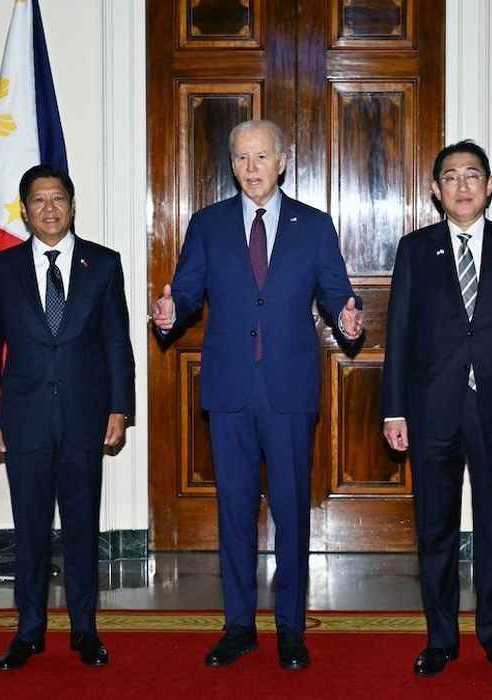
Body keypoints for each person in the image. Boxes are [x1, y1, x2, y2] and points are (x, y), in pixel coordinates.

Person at [151, 119, 363, 671]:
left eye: (261, 157)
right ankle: (239, 626)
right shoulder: (207, 223)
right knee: (235, 514)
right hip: (229, 390)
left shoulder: (314, 226)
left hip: (290, 389)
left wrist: (349, 319)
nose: (251, 168)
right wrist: (171, 314)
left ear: (283, 160)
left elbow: (338, 292)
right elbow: (189, 291)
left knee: (292, 513)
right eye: (242, 158)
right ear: (232, 165)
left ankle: (291, 628)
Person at [381, 140, 492, 681]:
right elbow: (400, 337)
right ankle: (440, 639)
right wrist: (394, 411)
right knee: (436, 529)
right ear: (435, 191)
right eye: (450, 177)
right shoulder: (415, 250)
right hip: (432, 409)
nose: (462, 185)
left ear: (490, 185)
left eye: (472, 175)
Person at [0, 164, 135, 671]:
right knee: (31, 530)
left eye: (58, 198)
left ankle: (85, 631)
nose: (49, 208)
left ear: (72, 204)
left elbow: (116, 344)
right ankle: (29, 631)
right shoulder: (2, 269)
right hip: (24, 421)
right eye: (39, 200)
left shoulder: (103, 265)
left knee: (84, 528)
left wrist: (120, 408)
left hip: (87, 418)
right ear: (25, 210)